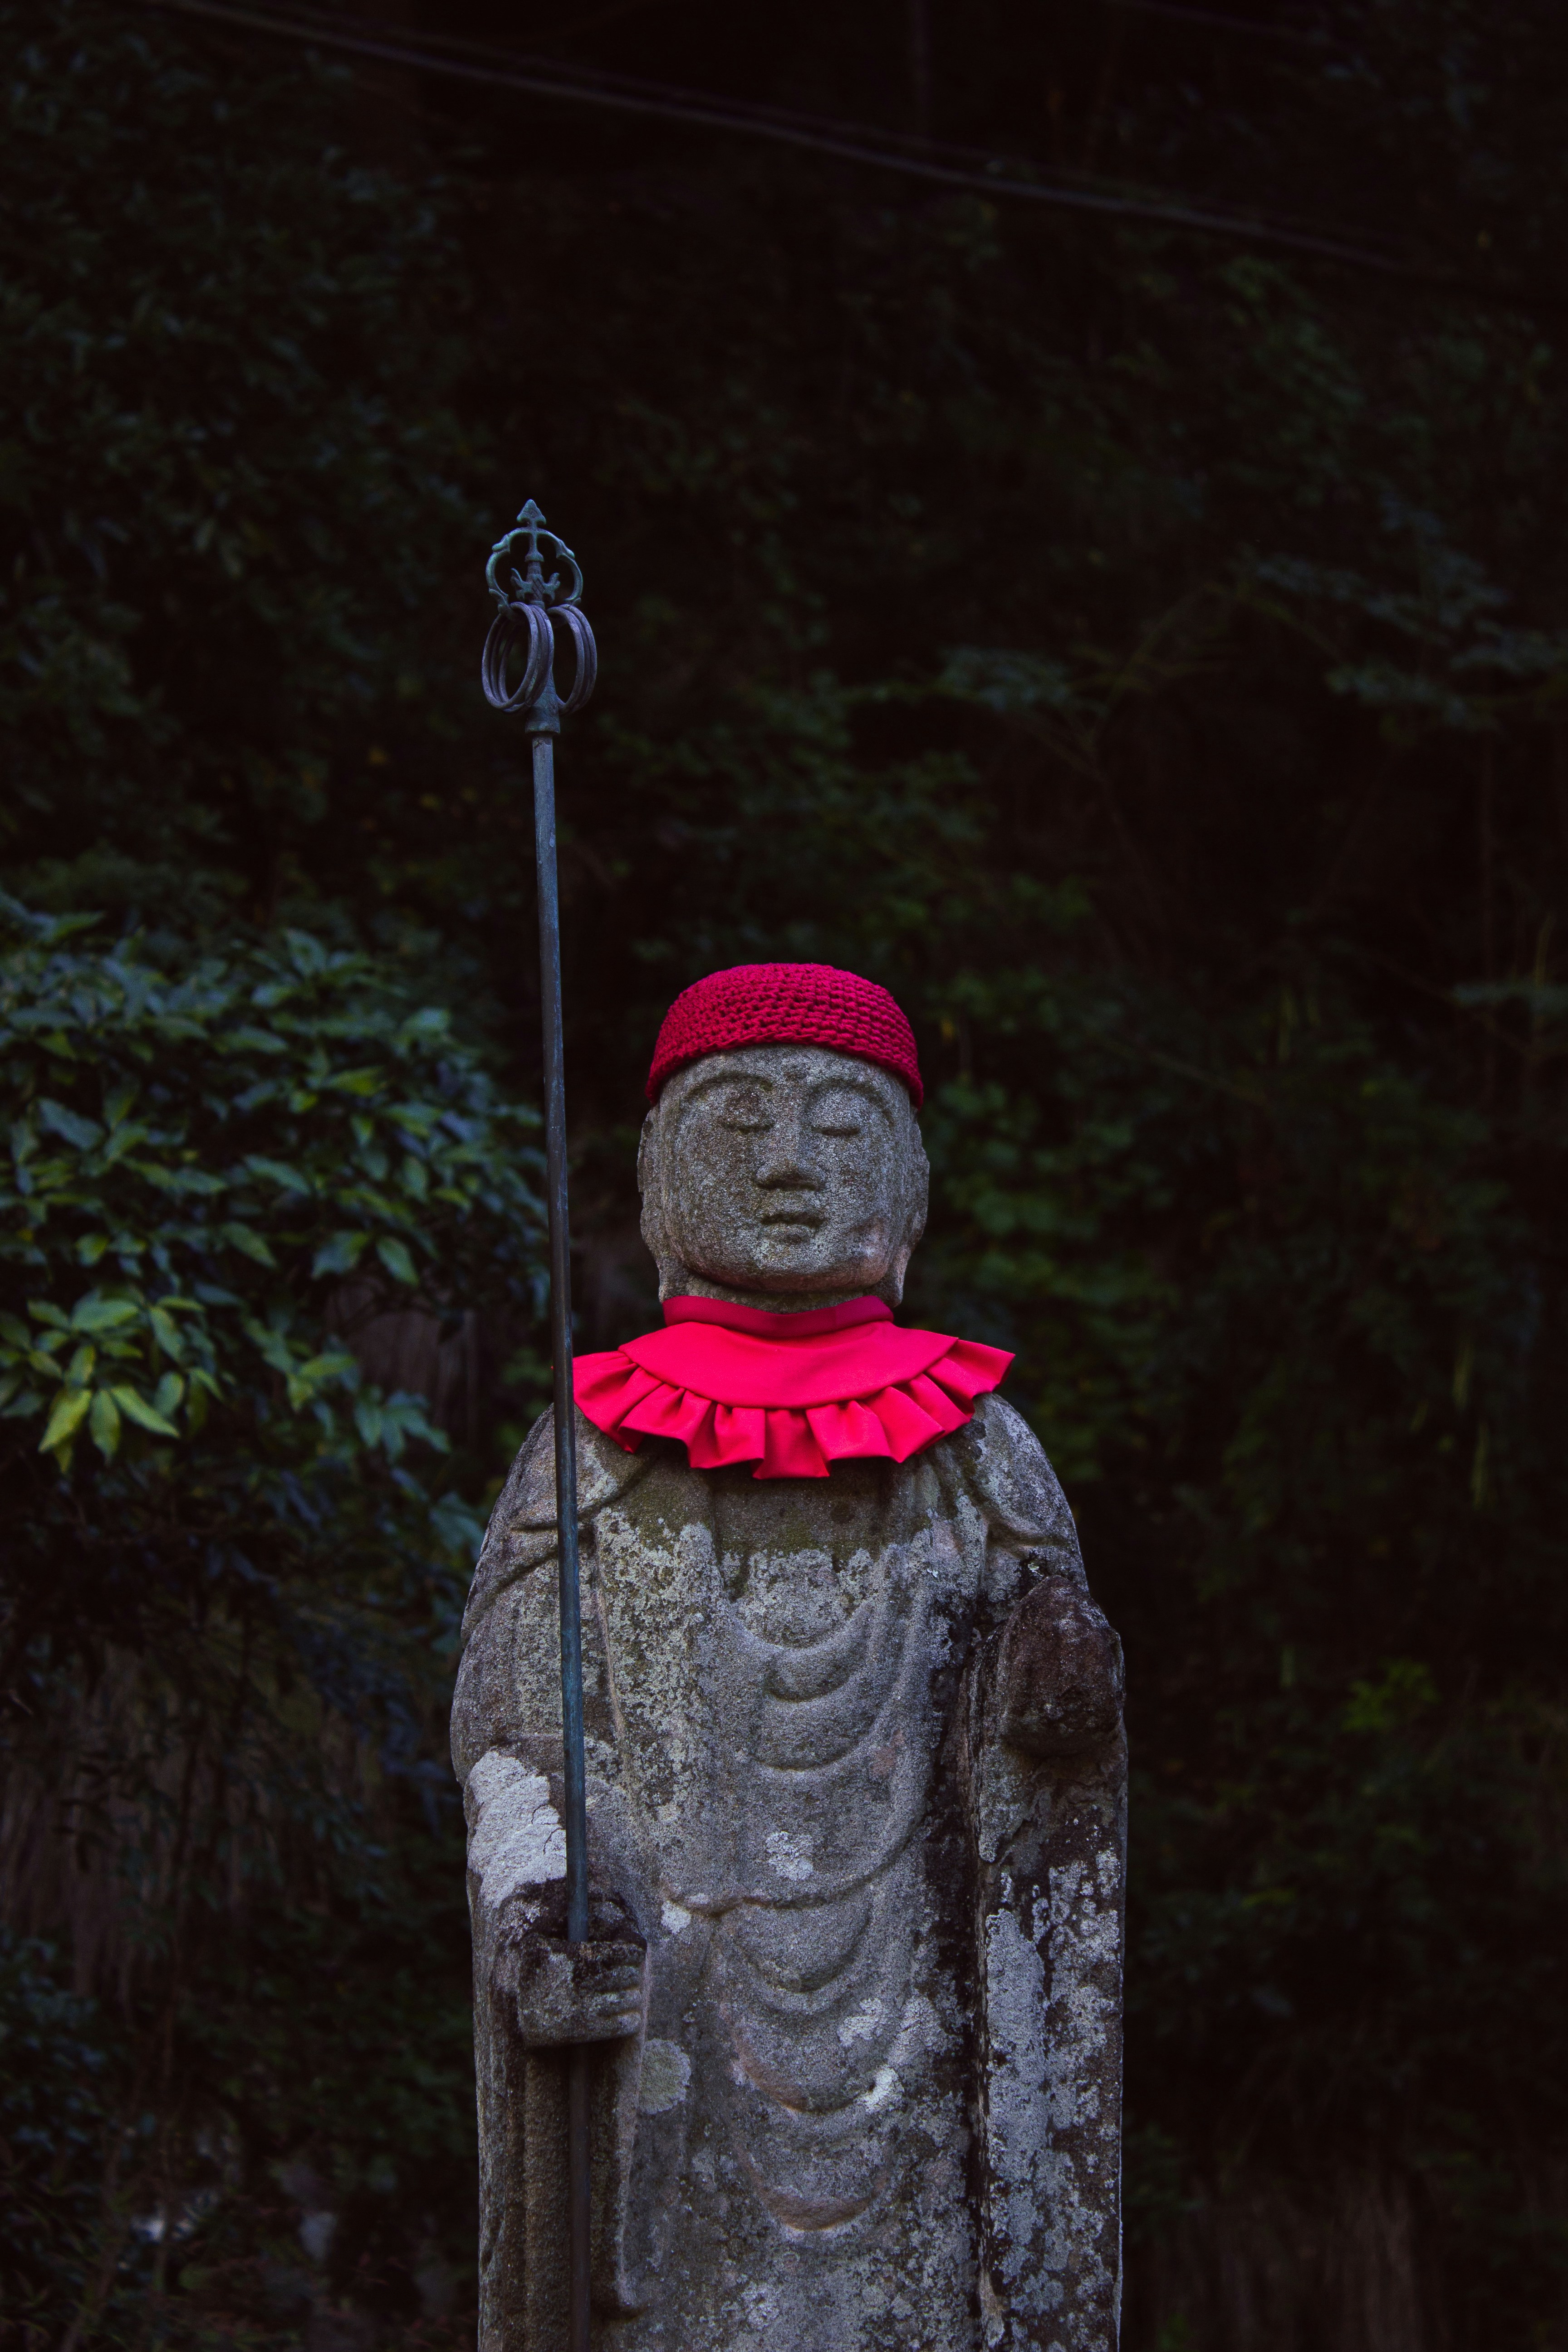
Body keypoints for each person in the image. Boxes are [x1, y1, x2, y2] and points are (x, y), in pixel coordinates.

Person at [453, 962, 1126, 2352]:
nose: (784, 1166)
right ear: (653, 1184)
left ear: (913, 1184)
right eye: (736, 1122)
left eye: (838, 1127)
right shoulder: (587, 1457)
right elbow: (509, 1742)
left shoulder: (983, 1455)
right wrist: (540, 1898)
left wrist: (1057, 1710)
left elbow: (1060, 1762)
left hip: (928, 2056)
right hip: (666, 2069)